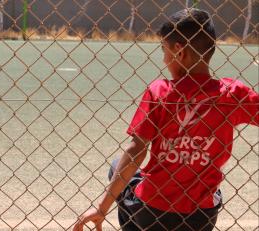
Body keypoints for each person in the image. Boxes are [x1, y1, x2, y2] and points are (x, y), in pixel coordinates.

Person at [73, 8, 259, 231]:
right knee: (214, 191)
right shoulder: (232, 93)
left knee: (117, 166)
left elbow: (136, 150)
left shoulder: (160, 91)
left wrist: (102, 208)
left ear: (179, 52)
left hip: (152, 211)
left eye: (164, 50)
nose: (163, 59)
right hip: (201, 216)